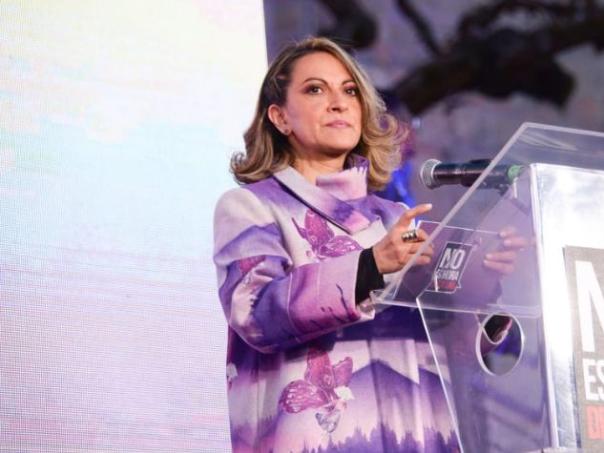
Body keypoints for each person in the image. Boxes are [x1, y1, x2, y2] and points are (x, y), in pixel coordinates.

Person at [213, 37, 517, 452]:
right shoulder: (251, 206)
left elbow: (452, 343)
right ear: (280, 117)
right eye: (315, 89)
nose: (339, 103)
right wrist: (371, 266)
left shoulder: (393, 217)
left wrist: (481, 281)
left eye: (350, 91)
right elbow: (254, 314)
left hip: (418, 434)